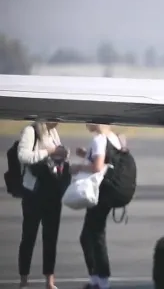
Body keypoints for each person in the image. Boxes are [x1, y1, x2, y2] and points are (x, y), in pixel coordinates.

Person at [71, 124, 125, 289]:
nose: (86, 123)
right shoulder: (113, 138)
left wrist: (78, 167)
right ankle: (97, 280)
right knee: (91, 235)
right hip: (107, 191)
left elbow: (98, 166)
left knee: (94, 236)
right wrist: (85, 154)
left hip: (100, 193)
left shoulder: (99, 139)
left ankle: (101, 282)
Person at [17, 121, 69, 289]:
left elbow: (57, 157)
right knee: (29, 236)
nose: (59, 122)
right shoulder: (31, 130)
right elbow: (23, 156)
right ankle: (24, 280)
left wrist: (62, 154)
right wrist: (50, 151)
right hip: (34, 192)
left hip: (53, 191)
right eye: (56, 118)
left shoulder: (53, 132)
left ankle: (50, 280)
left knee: (51, 238)